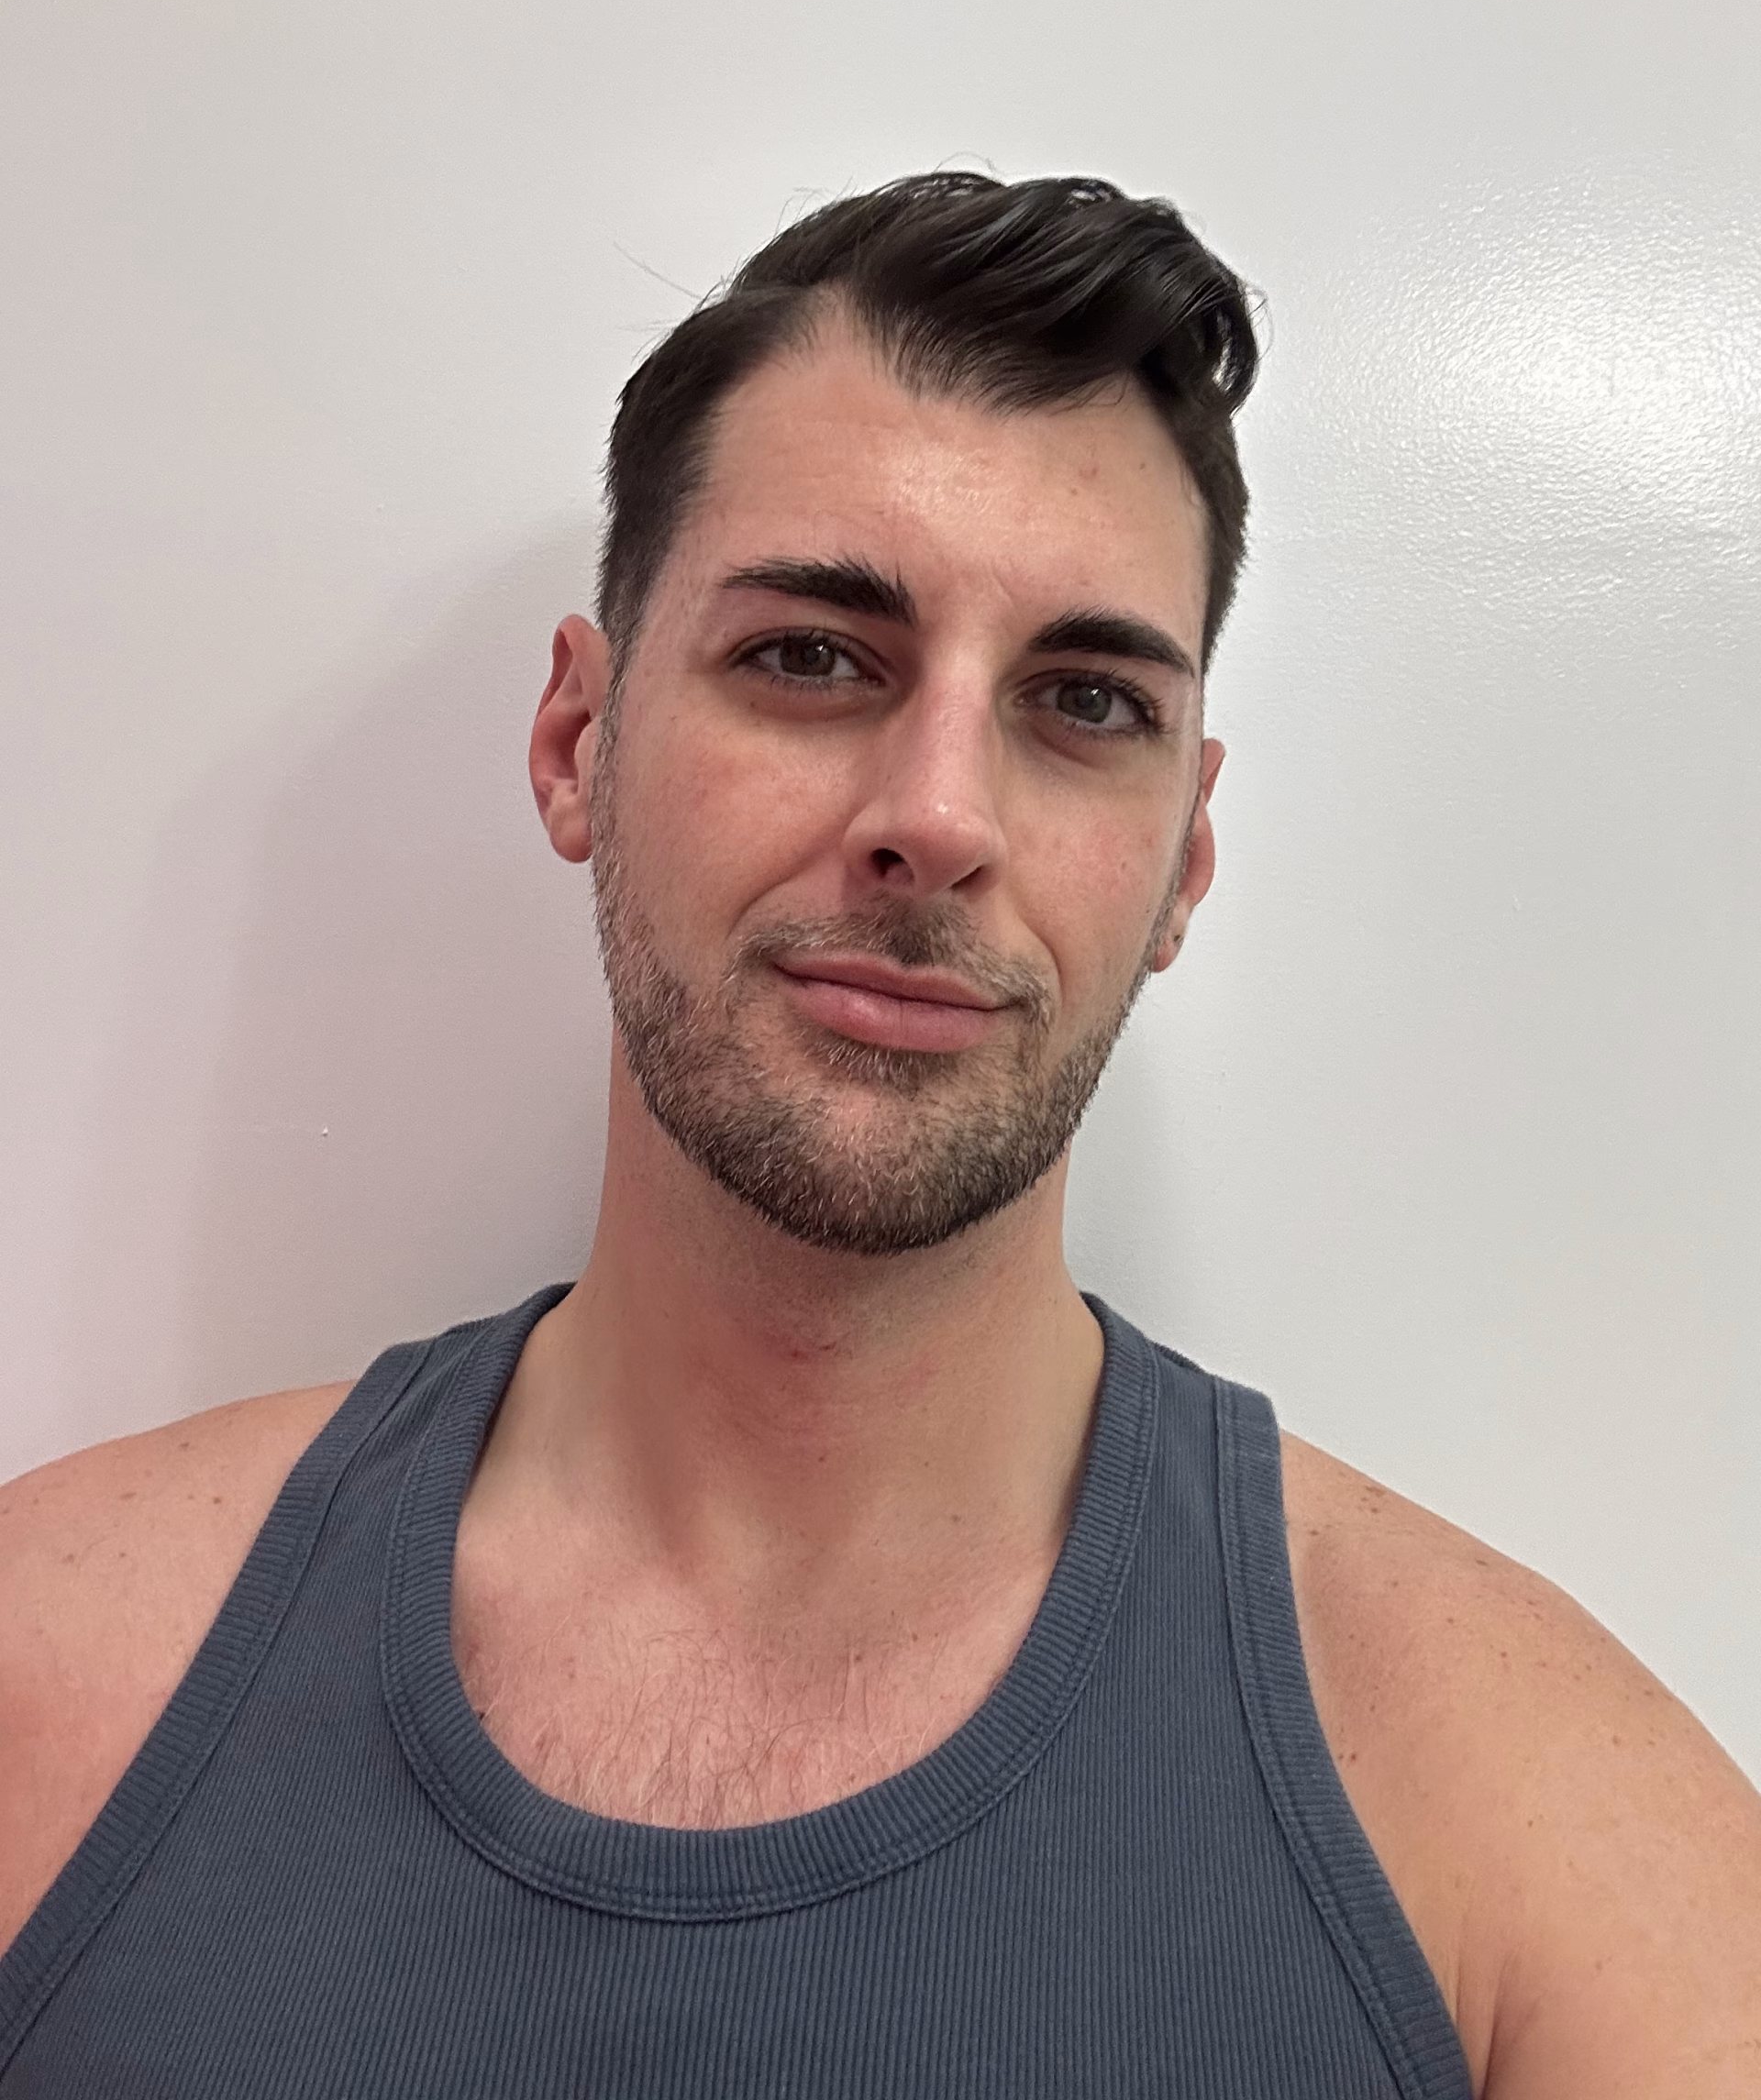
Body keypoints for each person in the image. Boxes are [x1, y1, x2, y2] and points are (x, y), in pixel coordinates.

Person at [1, 173, 1756, 2099]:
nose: (940, 815)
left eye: (1082, 701)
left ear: (1185, 855)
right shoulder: (54, 1672)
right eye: (813, 657)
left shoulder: (1530, 1837)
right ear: (579, 741)